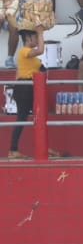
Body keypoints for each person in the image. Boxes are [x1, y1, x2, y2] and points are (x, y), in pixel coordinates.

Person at [8, 29, 42, 159]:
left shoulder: (30, 56)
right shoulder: (24, 51)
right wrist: (41, 33)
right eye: (35, 37)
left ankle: (42, 146)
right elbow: (41, 50)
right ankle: (13, 149)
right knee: (21, 118)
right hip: (24, 88)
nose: (37, 40)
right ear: (28, 38)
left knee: (38, 117)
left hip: (30, 87)